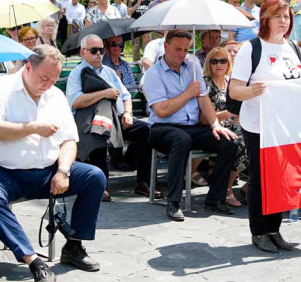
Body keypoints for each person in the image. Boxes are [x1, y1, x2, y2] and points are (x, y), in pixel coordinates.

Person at [0, 46, 106, 282]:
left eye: (53, 79)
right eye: (44, 78)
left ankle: (74, 246)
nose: (48, 84)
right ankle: (33, 261)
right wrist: (32, 127)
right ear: (28, 67)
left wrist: (63, 171)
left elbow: (69, 140)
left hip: (46, 170)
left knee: (94, 177)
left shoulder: (55, 95)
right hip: (0, 171)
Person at [230, 0, 301, 252]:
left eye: (287, 17)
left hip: (286, 125)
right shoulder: (251, 48)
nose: (283, 21)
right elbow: (235, 90)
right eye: (278, 16)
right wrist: (253, 91)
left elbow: (297, 82)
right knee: (259, 178)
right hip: (258, 125)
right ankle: (258, 232)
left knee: (280, 178)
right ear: (265, 19)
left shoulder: (293, 47)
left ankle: (274, 230)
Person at [145, 31, 238, 221]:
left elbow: (203, 99)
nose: (182, 54)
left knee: (229, 141)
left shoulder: (193, 65)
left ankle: (216, 198)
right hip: (162, 128)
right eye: (177, 49)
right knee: (181, 139)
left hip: (192, 127)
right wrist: (188, 93)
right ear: (166, 47)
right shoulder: (153, 74)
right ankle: (173, 202)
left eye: (186, 50)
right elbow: (161, 110)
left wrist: (215, 124)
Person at [67, 35, 154, 200]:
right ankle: (101, 185)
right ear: (82, 52)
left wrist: (127, 113)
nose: (98, 54)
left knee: (145, 130)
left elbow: (126, 96)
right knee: (99, 132)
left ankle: (144, 182)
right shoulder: (77, 73)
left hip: (118, 117)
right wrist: (104, 93)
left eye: (101, 50)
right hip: (93, 120)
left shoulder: (109, 72)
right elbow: (76, 102)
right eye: (94, 50)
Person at [203, 46, 247, 207]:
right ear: (208, 63)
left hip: (235, 125)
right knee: (240, 142)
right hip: (213, 127)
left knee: (256, 138)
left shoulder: (231, 82)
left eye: (223, 61)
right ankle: (227, 189)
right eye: (214, 61)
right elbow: (203, 118)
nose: (219, 64)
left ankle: (248, 186)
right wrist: (230, 113)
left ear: (228, 63)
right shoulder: (205, 83)